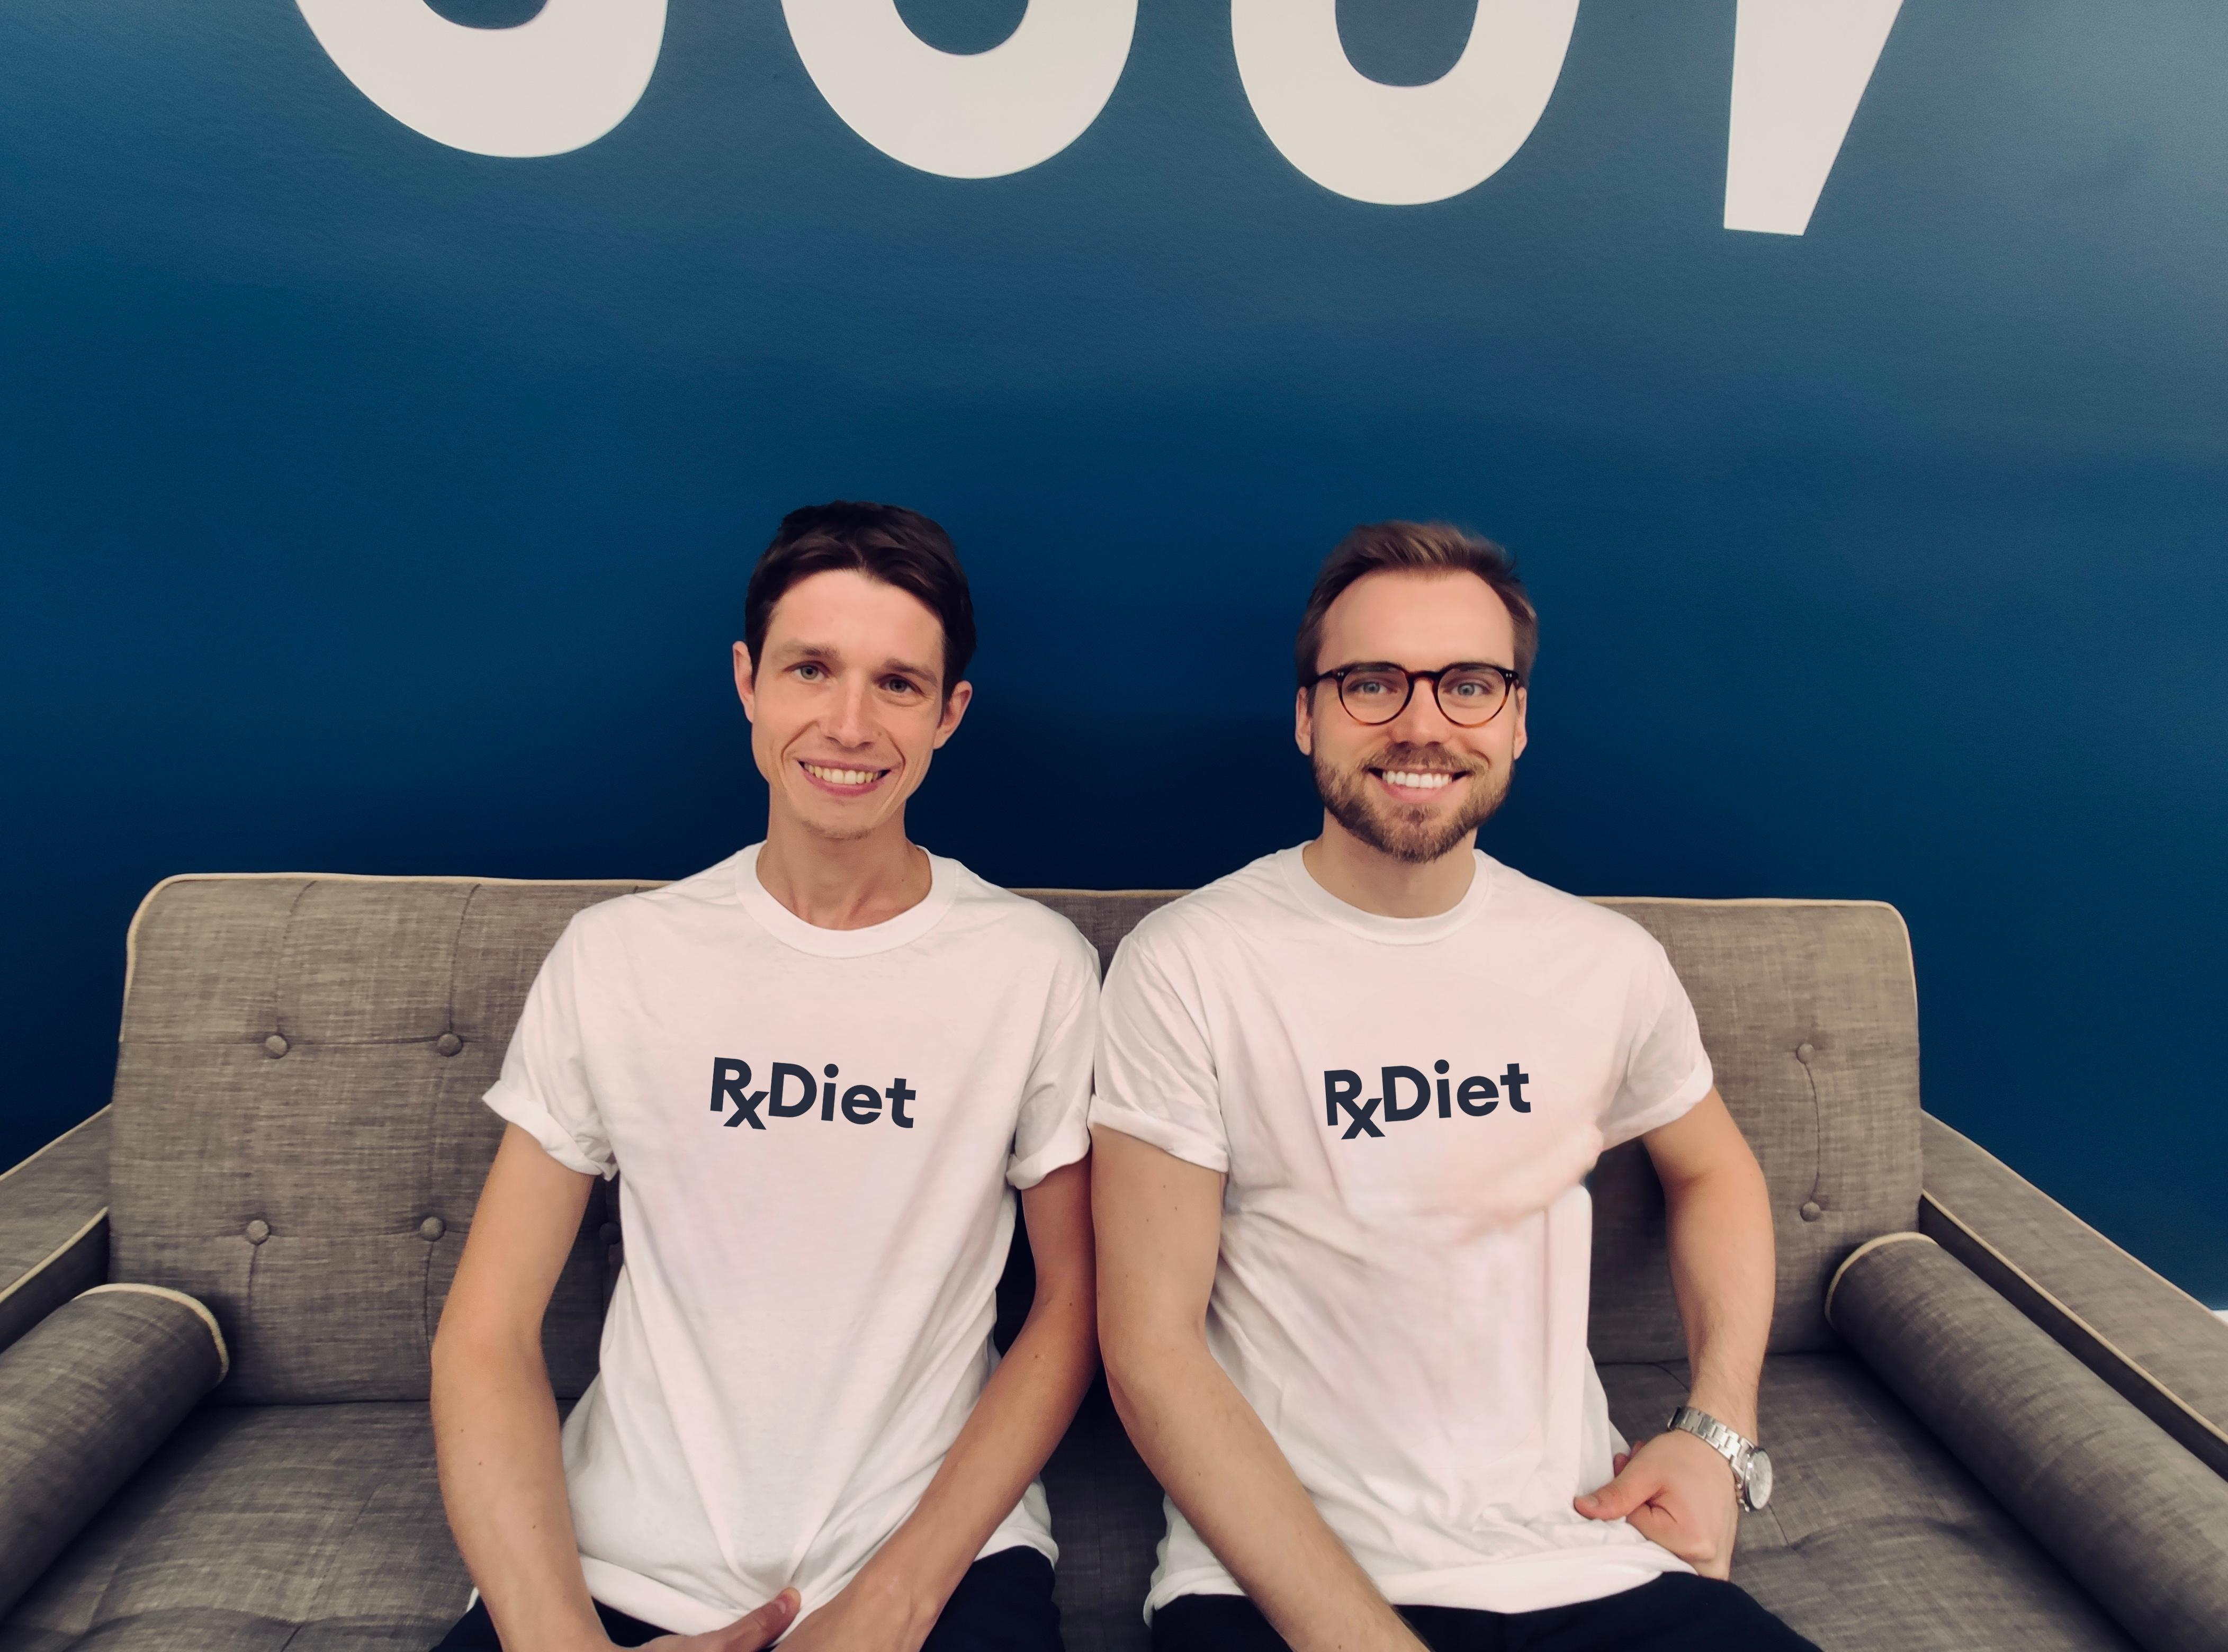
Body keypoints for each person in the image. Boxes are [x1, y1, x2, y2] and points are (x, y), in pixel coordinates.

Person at [1090, 522, 1817, 1652]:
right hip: (1275, 1594)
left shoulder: (1604, 962)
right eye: (1372, 682)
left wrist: (1718, 1433)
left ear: (1516, 720)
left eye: (1468, 685)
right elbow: (1150, 1347)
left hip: (1586, 1555)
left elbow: (1715, 1168)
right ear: (1307, 716)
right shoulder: (1189, 964)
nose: (1421, 724)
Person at [429, 502, 1101, 1652]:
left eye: (898, 684)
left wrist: (895, 1600)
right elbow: (484, 1333)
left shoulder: (1034, 968)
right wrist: (556, 1637)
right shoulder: (618, 955)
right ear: (748, 681)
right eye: (810, 669)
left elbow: (1074, 1304)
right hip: (614, 1564)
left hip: (928, 1572)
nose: (849, 724)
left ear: (949, 714)